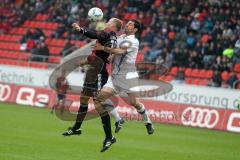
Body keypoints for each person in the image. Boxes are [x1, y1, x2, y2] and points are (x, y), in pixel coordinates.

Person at [93, 20, 154, 152]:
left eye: (131, 24)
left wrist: (104, 49)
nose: (127, 25)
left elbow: (121, 50)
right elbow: (115, 48)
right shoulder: (121, 37)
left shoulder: (133, 41)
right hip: (115, 76)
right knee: (98, 99)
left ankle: (147, 122)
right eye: (127, 23)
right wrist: (111, 54)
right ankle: (118, 121)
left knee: (135, 103)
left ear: (135, 30)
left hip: (128, 77)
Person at [62, 18, 124, 144]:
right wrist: (84, 62)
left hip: (99, 73)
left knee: (98, 103)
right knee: (84, 99)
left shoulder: (110, 35)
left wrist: (81, 30)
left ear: (113, 25)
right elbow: (96, 55)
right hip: (92, 71)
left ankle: (109, 137)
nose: (107, 22)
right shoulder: (106, 36)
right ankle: (76, 128)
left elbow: (96, 36)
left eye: (110, 21)